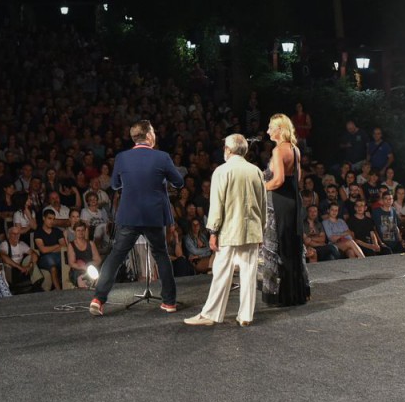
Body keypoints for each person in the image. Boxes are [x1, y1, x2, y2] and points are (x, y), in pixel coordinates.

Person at [89, 120, 184, 316]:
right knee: (161, 255)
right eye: (153, 132)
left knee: (116, 256)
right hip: (154, 216)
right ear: (149, 135)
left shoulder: (122, 157)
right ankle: (169, 302)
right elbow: (179, 181)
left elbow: (115, 185)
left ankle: (98, 299)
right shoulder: (162, 157)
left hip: (129, 215)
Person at [184, 134, 266, 327]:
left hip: (229, 230)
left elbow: (216, 205)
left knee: (221, 272)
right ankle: (245, 316)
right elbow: (263, 205)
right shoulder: (256, 171)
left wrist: (213, 232)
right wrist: (261, 230)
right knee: (249, 273)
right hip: (252, 229)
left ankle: (211, 314)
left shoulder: (222, 171)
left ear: (228, 150)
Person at [261, 114, 310, 306]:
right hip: (293, 200)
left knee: (278, 246)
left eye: (270, 127)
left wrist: (261, 187)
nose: (268, 131)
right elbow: (297, 178)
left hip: (280, 202)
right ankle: (297, 292)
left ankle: (281, 295)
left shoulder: (278, 150)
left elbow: (278, 180)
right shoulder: (295, 149)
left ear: (280, 129)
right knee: (293, 246)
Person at [65, 223, 101, 288]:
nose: (81, 232)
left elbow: (98, 260)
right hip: (77, 270)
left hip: (91, 269)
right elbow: (71, 263)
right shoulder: (71, 245)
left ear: (85, 231)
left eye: (82, 230)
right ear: (75, 232)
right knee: (82, 278)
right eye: (78, 230)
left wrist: (89, 265)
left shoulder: (91, 243)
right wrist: (83, 267)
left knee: (98, 278)